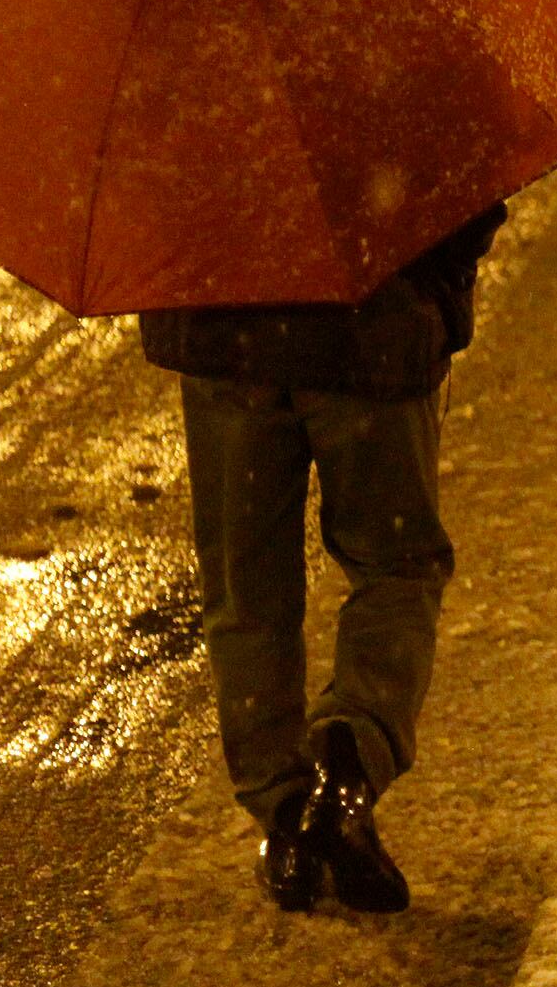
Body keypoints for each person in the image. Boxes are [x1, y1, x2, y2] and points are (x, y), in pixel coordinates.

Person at [139, 203, 506, 915]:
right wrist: (434, 279)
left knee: (248, 585)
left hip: (225, 331)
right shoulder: (407, 83)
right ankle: (347, 768)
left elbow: (141, 195)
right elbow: (473, 176)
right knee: (396, 565)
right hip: (373, 324)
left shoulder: (175, 88)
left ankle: (284, 816)